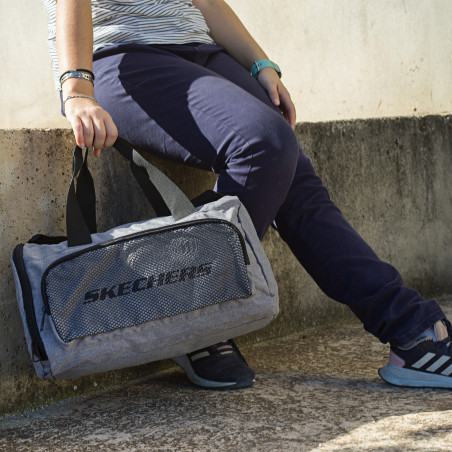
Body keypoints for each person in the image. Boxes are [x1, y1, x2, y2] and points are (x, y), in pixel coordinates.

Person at [43, 0, 451, 390]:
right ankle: (194, 314)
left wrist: (261, 63)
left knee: (296, 182)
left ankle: (412, 331)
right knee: (265, 142)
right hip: (121, 54)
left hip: (201, 51)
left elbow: (206, 3)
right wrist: (77, 88)